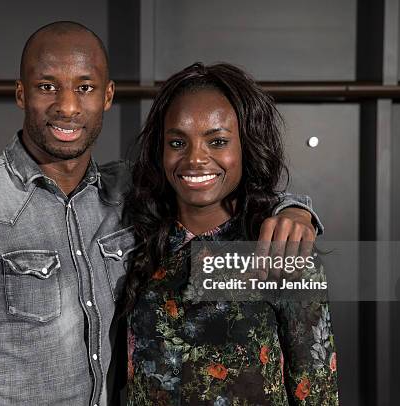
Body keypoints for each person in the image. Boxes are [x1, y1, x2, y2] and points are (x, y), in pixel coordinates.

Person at [0, 22, 322, 405]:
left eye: (84, 87)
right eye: (46, 87)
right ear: (21, 93)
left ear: (107, 95)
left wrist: (296, 210)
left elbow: (217, 182)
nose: (68, 107)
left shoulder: (128, 195)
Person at [125, 63, 339, 405]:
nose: (195, 158)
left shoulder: (281, 247)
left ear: (245, 146)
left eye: (218, 141)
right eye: (177, 142)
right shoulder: (136, 241)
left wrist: (297, 210)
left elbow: (316, 388)